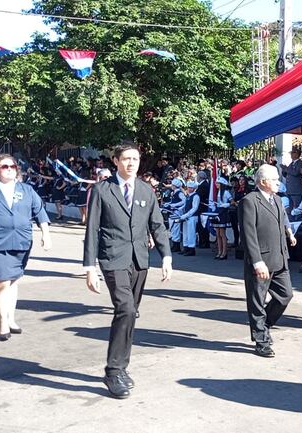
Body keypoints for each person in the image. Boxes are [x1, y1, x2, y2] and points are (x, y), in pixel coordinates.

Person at [83, 144, 172, 399]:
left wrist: (166, 256)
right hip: (112, 258)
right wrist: (90, 267)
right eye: (126, 159)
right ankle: (113, 370)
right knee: (126, 308)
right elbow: (92, 230)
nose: (131, 163)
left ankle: (121, 367)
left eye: (135, 158)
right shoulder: (102, 190)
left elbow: (157, 225)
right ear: (116, 161)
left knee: (130, 314)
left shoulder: (146, 190)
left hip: (139, 260)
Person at [0, 154, 51, 340]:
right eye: (4, 166)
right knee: (2, 280)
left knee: (13, 280)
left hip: (21, 241)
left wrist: (46, 234)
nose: (9, 169)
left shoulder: (27, 190)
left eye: (12, 166)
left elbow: (39, 211)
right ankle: (2, 320)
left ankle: (11, 318)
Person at [240, 164, 297, 357]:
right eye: (274, 180)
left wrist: (289, 233)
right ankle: (261, 340)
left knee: (285, 295)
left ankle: (264, 324)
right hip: (261, 260)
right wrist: (257, 261)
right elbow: (248, 234)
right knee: (257, 300)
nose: (278, 183)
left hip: (279, 257)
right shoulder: (250, 201)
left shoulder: (278, 200)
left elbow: (282, 221)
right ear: (263, 182)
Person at [178, 181, 201, 257]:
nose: (189, 189)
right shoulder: (188, 196)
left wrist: (186, 215)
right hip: (186, 216)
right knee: (185, 233)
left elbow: (194, 208)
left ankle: (191, 249)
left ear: (194, 189)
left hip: (192, 217)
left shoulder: (196, 196)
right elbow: (185, 205)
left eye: (191, 188)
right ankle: (186, 247)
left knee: (191, 233)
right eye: (188, 187)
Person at [213, 177, 233, 260]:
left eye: (218, 183)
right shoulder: (218, 192)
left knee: (222, 234)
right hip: (218, 211)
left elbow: (232, 202)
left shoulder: (226, 192)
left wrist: (225, 205)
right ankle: (219, 251)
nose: (216, 184)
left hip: (223, 212)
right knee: (217, 234)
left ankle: (224, 252)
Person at [164, 178, 186, 253]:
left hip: (177, 212)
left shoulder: (179, 193)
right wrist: (169, 204)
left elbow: (184, 201)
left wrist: (175, 205)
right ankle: (174, 244)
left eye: (172, 185)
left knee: (176, 228)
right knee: (173, 228)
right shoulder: (174, 192)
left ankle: (177, 245)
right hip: (172, 211)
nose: (171, 186)